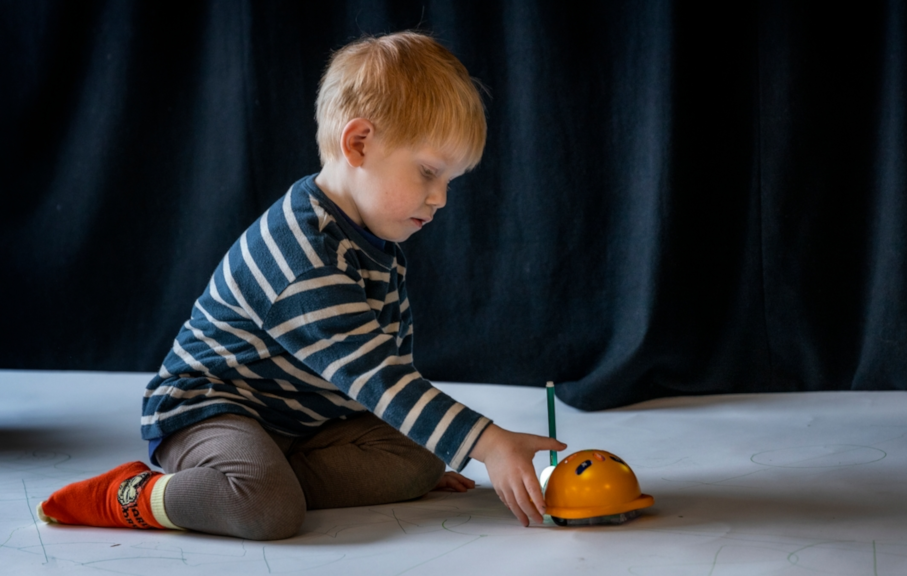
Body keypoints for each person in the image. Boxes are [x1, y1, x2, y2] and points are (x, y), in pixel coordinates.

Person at [37, 31, 565, 541]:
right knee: (270, 510)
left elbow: (391, 365)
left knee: (420, 456)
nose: (440, 198)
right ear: (358, 143)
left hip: (303, 422)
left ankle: (251, 481)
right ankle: (137, 494)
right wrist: (488, 442)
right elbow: (374, 376)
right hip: (212, 408)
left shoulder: (374, 243)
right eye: (429, 172)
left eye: (449, 181)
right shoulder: (302, 253)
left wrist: (424, 455)